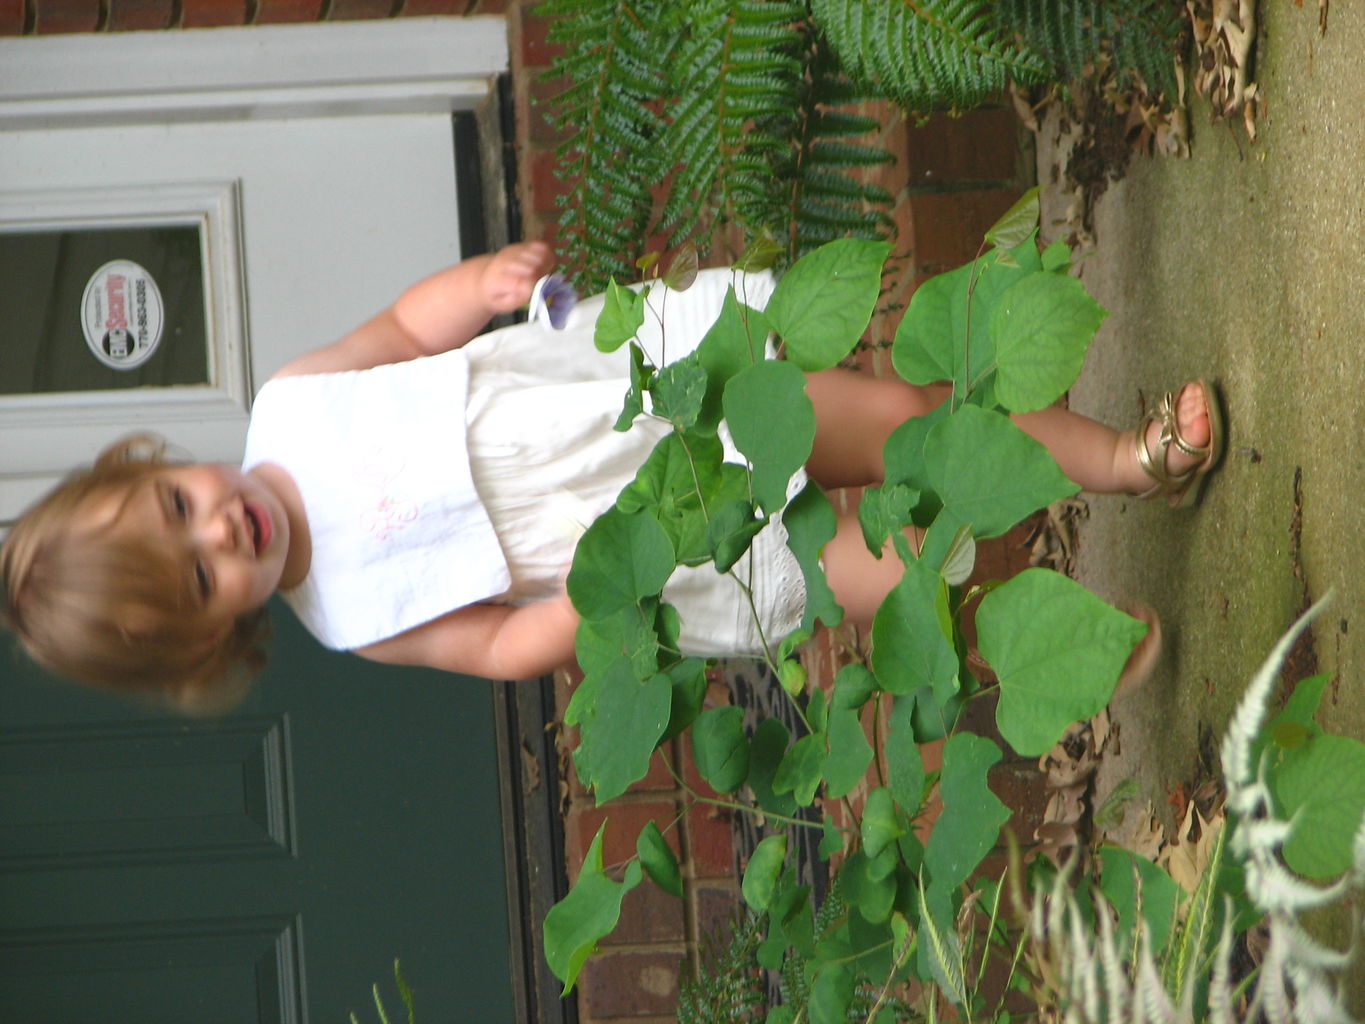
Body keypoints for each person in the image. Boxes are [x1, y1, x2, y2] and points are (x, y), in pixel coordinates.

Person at [0, 242, 1222, 710]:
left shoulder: (291, 406)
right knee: (875, 580)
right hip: (651, 546)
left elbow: (397, 329)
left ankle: (1123, 458)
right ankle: (1069, 650)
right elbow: (482, 644)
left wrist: (475, 289)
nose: (225, 529)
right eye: (204, 577)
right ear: (216, 639)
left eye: (179, 506)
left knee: (899, 420)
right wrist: (573, 621)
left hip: (636, 394)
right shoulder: (348, 617)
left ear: (164, 462)